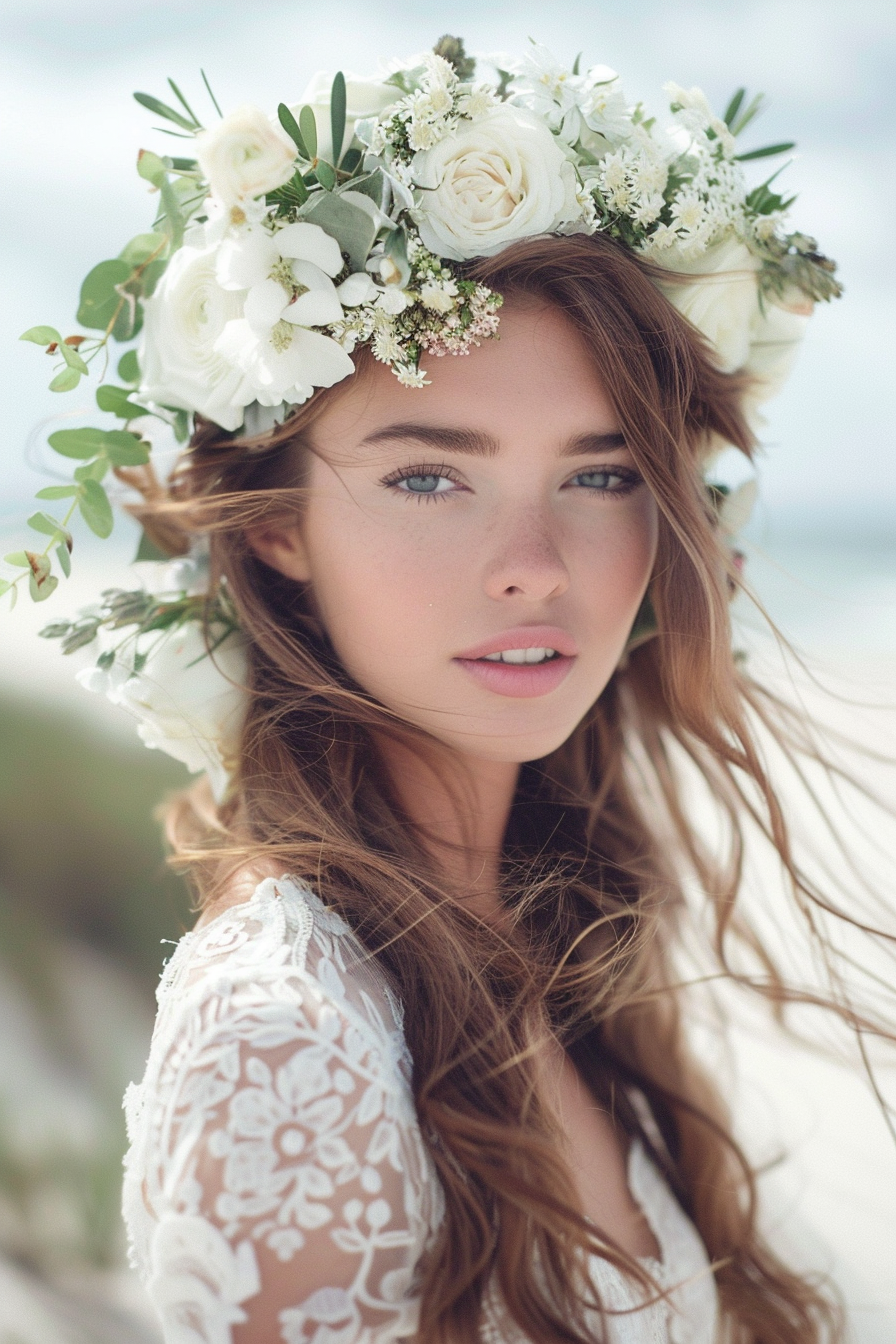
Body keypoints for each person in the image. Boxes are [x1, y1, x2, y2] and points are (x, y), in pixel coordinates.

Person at [17, 34, 878, 1344]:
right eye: (431, 476)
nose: (536, 571)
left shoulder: (551, 941)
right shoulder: (287, 1036)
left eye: (599, 475)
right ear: (274, 527)